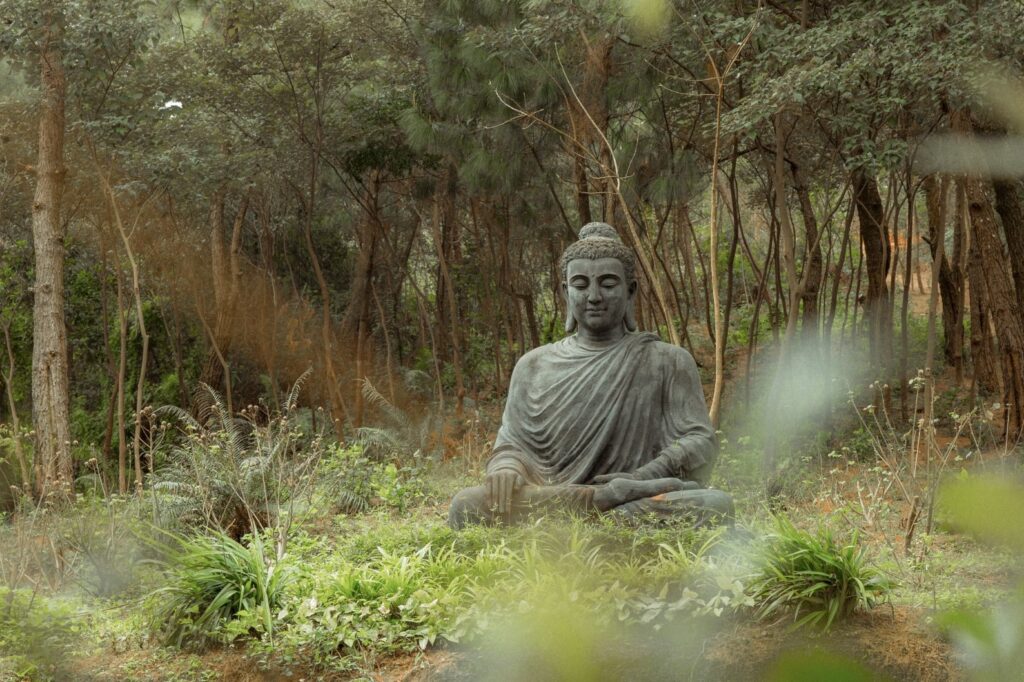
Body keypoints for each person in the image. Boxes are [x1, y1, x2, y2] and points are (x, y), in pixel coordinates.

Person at [448, 223, 733, 529]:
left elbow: (700, 441)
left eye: (608, 283)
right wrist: (506, 468)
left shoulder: (667, 360)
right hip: (560, 495)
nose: (594, 296)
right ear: (564, 291)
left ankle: (599, 511)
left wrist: (643, 477)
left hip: (633, 500)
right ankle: (603, 504)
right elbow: (511, 446)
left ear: (630, 290)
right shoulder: (532, 366)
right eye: (581, 284)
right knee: (466, 505)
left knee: (714, 506)